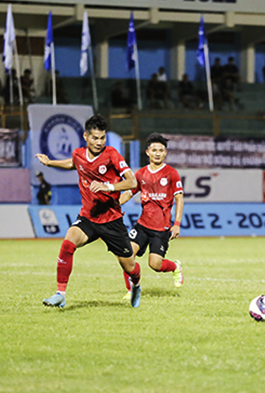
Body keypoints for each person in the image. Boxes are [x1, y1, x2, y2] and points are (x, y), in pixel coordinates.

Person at [35, 115, 142, 308]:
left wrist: (108, 187)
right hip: (88, 218)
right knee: (68, 243)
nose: (99, 142)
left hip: (112, 220)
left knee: (129, 266)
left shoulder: (112, 155)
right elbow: (71, 163)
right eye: (95, 138)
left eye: (102, 138)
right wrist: (50, 162)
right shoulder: (78, 154)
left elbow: (132, 181)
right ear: (86, 136)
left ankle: (136, 284)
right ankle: (61, 293)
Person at [118, 133, 184, 296]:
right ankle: (131, 291)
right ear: (147, 152)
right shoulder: (140, 174)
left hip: (161, 229)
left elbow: (179, 199)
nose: (157, 153)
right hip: (142, 225)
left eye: (161, 150)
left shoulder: (171, 173)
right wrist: (113, 205)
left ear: (165, 153)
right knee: (126, 255)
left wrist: (177, 224)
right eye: (154, 150)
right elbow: (128, 193)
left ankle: (175, 267)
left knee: (155, 264)